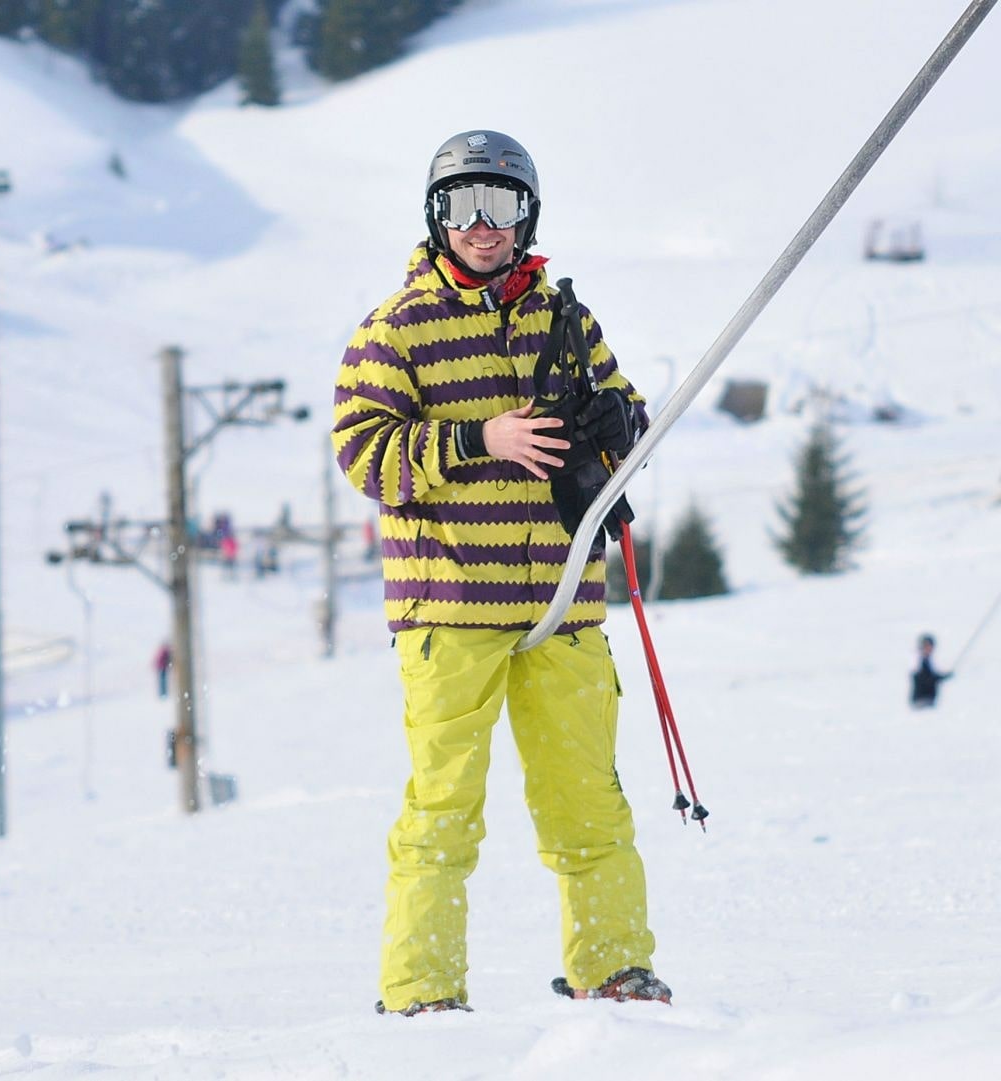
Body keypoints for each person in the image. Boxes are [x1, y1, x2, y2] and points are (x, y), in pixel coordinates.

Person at [333, 130, 665, 1017]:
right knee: (443, 812)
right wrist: (482, 439)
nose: (485, 225)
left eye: (504, 205)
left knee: (587, 804)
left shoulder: (567, 319)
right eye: (465, 205)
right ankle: (422, 990)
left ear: (529, 216)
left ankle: (615, 968)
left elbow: (626, 425)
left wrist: (615, 420)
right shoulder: (398, 327)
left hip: (561, 602)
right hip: (451, 604)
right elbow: (366, 455)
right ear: (436, 217)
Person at [910, 633, 951, 708]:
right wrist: (940, 677)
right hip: (921, 701)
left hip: (928, 701)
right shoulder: (918, 661)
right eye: (926, 646)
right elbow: (925, 678)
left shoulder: (927, 661)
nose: (929, 649)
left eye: (930, 646)